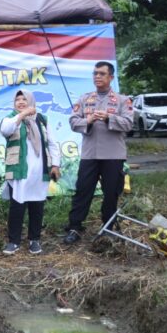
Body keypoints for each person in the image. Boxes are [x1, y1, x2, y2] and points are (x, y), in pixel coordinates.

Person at [63, 61, 133, 245]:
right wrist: (89, 120)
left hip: (113, 155)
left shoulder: (123, 100)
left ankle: (108, 227)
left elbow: (128, 124)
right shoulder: (84, 99)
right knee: (82, 191)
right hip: (90, 155)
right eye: (95, 74)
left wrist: (110, 117)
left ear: (111, 77)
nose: (97, 77)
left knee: (111, 193)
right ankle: (75, 227)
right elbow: (72, 122)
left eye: (102, 74)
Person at [0, 90, 61, 255]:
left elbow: (52, 143)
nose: (20, 102)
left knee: (37, 206)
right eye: (17, 99)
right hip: (20, 171)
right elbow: (6, 130)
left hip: (39, 171)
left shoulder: (42, 119)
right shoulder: (11, 118)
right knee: (17, 207)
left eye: (24, 99)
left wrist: (55, 164)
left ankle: (34, 240)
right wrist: (22, 115)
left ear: (31, 101)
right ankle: (13, 241)